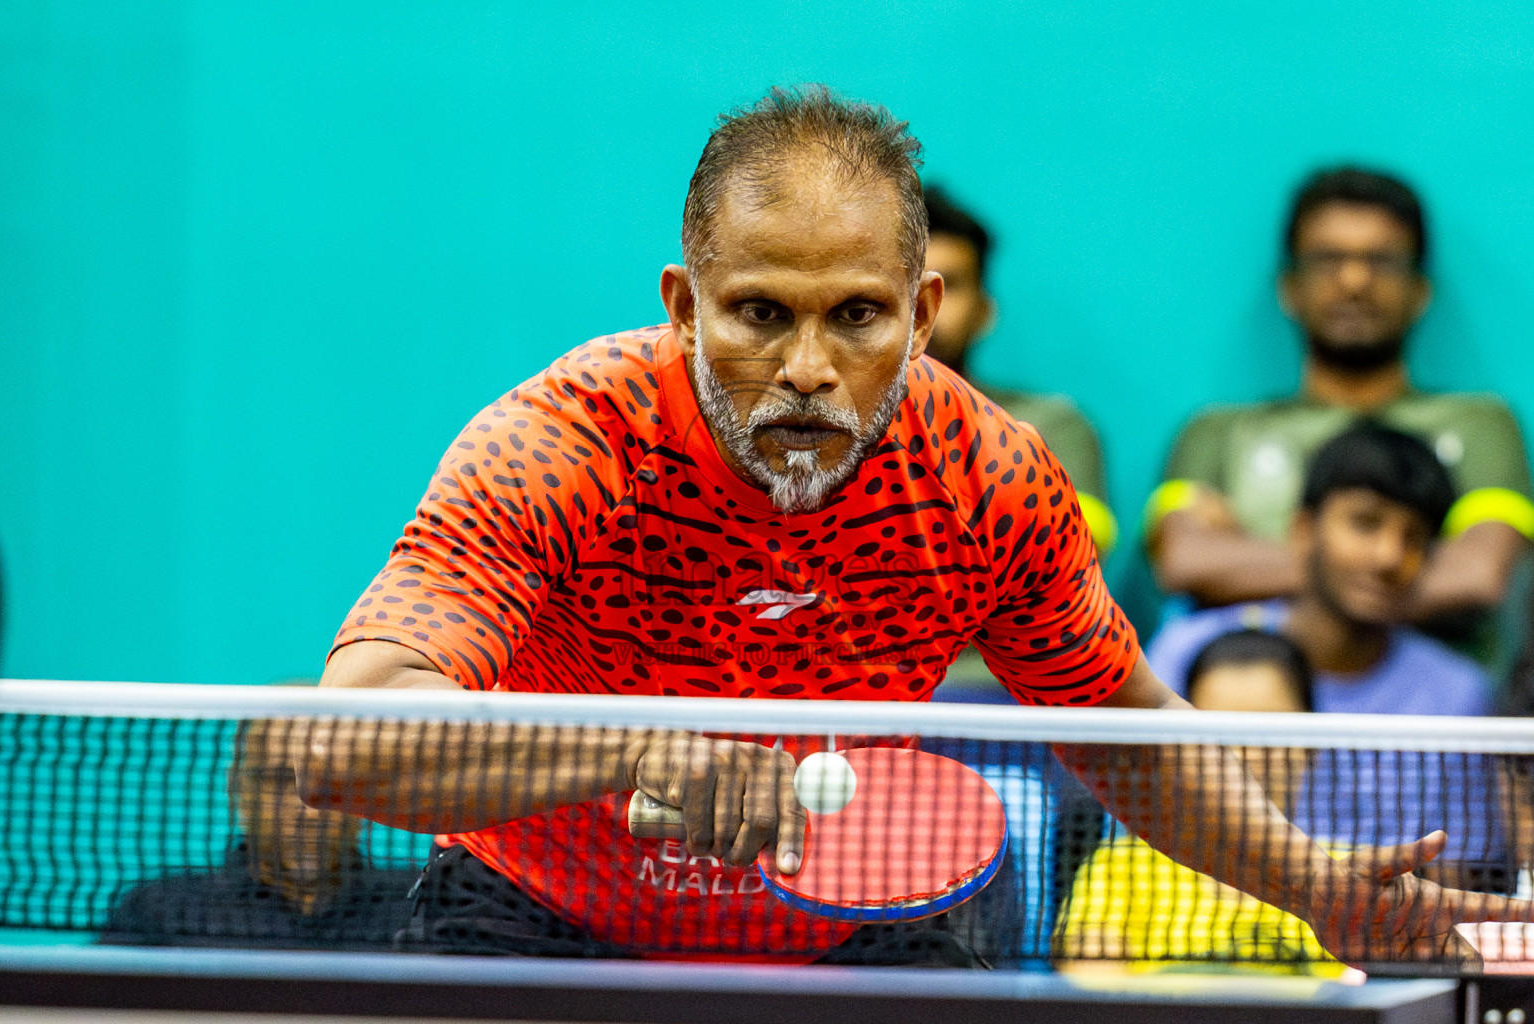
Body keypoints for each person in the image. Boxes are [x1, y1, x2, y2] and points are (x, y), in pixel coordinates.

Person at [296, 86, 1528, 967]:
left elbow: (1119, 731)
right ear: (682, 307)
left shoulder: (989, 481)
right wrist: (631, 748)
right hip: (541, 912)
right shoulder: (564, 445)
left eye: (859, 316)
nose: (809, 369)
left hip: (864, 924)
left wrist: (1315, 884)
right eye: (759, 313)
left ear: (926, 312)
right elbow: (349, 738)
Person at [1147, 167, 1533, 670]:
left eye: (1382, 261)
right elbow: (1187, 562)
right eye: (1328, 260)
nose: (1354, 281)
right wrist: (1403, 572)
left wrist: (1251, 561)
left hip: (1439, 724)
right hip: (1250, 718)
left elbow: (1478, 574)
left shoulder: (1480, 424)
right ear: (1289, 287)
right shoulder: (1220, 432)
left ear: (1420, 291)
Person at [1146, 423, 1506, 886]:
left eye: (1414, 538)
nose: (1388, 555)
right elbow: (1134, 833)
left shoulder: (1460, 697)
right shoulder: (1186, 652)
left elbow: (1457, 877)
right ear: (1303, 529)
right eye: (1365, 522)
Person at [1056, 629, 1341, 974]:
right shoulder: (1122, 867)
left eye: (1265, 731)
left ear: (1311, 741)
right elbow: (1090, 987)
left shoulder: (1345, 878)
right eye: (1221, 734)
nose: (1243, 755)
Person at [100, 716, 418, 949]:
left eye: (331, 784)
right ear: (238, 787)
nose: (308, 811)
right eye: (280, 782)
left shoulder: (424, 907)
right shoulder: (159, 915)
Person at [922, 185, 1116, 555]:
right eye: (903, 284)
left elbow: (1068, 554)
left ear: (985, 312)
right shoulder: (829, 427)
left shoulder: (1049, 427)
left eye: (947, 286)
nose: (923, 308)